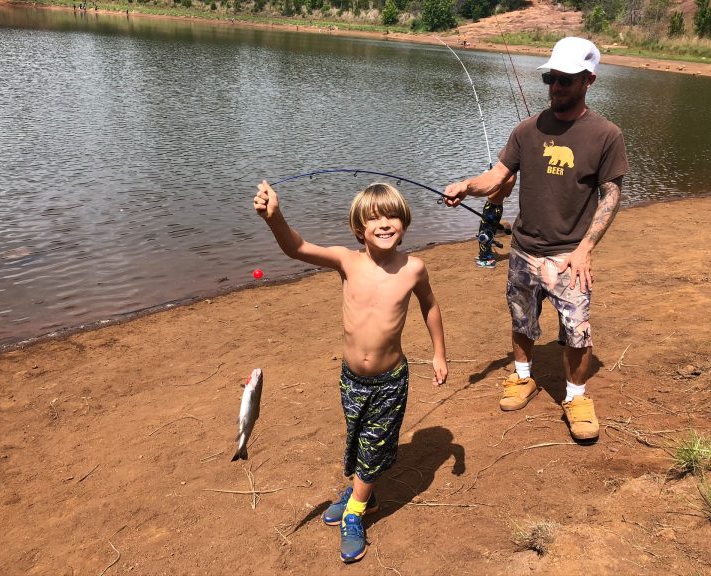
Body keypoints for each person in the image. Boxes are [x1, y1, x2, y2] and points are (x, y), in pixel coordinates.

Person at [444, 37, 629, 442]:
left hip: (569, 256)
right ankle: (523, 376)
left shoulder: (606, 135)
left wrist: (585, 249)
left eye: (566, 79)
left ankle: (576, 397)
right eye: (551, 78)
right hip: (524, 249)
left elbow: (610, 195)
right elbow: (497, 176)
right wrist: (466, 186)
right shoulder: (527, 130)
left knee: (577, 331)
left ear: (588, 80)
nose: (556, 86)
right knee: (521, 319)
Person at [253, 180, 448, 562]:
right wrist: (274, 217)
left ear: (404, 222)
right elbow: (296, 248)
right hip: (351, 379)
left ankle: (355, 511)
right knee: (360, 439)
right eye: (374, 218)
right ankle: (367, 494)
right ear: (359, 228)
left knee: (375, 445)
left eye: (393, 215)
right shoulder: (346, 261)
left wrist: (440, 353)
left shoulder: (414, 268)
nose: (385, 223)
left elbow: (430, 307)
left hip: (391, 380)